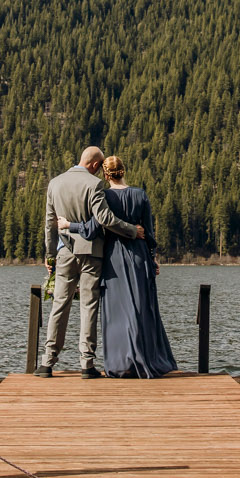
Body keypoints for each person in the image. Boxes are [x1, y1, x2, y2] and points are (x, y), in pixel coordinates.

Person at [38, 146, 141, 379]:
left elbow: (49, 223)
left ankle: (47, 361)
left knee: (59, 305)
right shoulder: (94, 185)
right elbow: (104, 219)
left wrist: (50, 254)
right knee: (88, 306)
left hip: (64, 252)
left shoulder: (55, 183)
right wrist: (132, 230)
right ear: (95, 165)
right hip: (91, 253)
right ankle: (87, 363)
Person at [97, 156, 176, 378]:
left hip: (113, 257)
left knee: (116, 311)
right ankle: (148, 358)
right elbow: (149, 233)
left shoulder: (103, 196)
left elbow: (98, 225)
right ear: (124, 171)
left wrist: (68, 226)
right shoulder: (140, 195)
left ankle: (120, 363)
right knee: (143, 309)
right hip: (139, 255)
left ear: (105, 175)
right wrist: (152, 259)